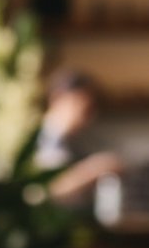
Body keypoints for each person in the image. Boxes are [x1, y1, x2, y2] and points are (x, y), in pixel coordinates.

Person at [35, 71, 122, 205]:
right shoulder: (41, 139)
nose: (88, 118)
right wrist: (96, 168)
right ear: (58, 97)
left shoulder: (71, 142)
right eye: (85, 109)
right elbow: (47, 190)